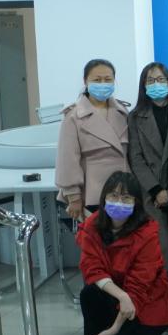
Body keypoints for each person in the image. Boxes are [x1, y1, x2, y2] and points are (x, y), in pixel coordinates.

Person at [77, 171, 168, 335]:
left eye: (126, 198)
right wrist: (121, 296)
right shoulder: (92, 225)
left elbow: (139, 285)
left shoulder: (147, 231)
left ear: (136, 203)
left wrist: (114, 329)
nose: (118, 203)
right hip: (116, 293)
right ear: (103, 198)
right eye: (113, 196)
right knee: (89, 293)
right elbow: (92, 268)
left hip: (146, 299)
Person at [127, 61, 168, 266]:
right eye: (150, 80)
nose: (156, 84)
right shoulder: (135, 117)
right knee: (161, 249)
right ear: (143, 86)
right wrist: (157, 190)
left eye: (161, 79)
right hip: (151, 193)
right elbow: (136, 158)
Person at [57, 59, 131, 221]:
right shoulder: (74, 116)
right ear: (85, 81)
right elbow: (68, 160)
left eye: (108, 79)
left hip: (124, 191)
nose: (103, 84)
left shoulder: (122, 111)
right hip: (93, 193)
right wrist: (73, 196)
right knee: (97, 235)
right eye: (97, 80)